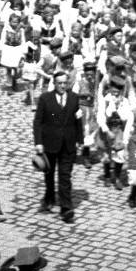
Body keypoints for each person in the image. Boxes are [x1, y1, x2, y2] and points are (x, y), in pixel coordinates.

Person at [32, 70, 82, 223]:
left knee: (65, 176)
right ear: (54, 83)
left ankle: (66, 208)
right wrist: (38, 143)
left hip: (68, 144)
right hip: (50, 144)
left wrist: (80, 139)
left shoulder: (74, 98)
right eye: (59, 83)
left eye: (64, 83)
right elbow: (38, 122)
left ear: (68, 83)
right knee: (49, 174)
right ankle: (49, 197)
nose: (62, 86)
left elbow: (77, 120)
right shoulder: (45, 99)